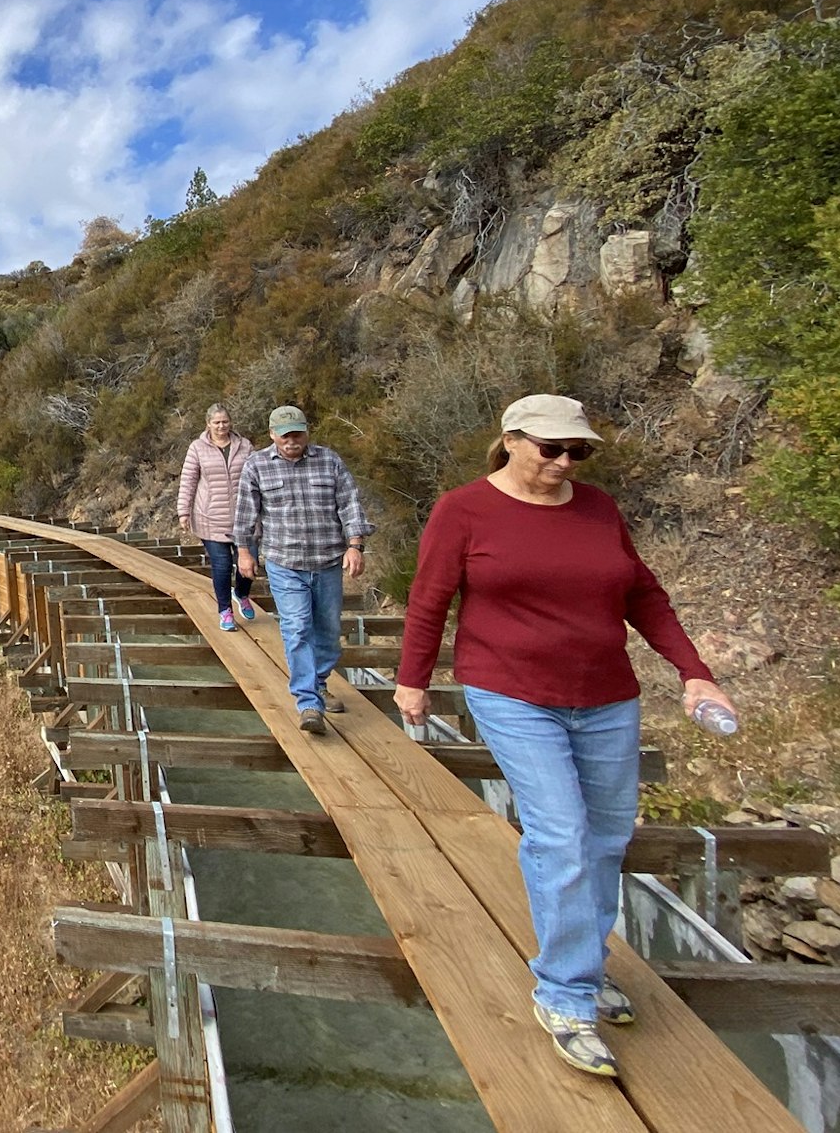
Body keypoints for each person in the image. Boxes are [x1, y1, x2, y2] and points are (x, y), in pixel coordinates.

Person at [394, 395, 736, 1080]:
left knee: (607, 838)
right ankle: (566, 994)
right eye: (551, 449)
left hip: (606, 694)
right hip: (511, 689)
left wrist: (694, 673)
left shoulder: (598, 510)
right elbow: (431, 597)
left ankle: (584, 962)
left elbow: (643, 595)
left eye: (577, 451)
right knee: (560, 833)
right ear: (513, 441)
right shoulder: (465, 510)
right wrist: (413, 679)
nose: (563, 462)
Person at [234, 405, 373, 735]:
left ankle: (319, 681)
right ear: (272, 435)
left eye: (297, 433)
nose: (291, 440)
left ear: (306, 432)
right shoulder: (256, 466)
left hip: (327, 562)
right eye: (285, 435)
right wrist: (244, 553)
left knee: (327, 632)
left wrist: (355, 545)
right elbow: (244, 514)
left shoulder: (329, 461)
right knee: (297, 627)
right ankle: (308, 702)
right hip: (285, 563)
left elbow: (350, 503)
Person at [177, 403, 255, 631]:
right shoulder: (197, 448)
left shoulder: (245, 446)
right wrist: (183, 511)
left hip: (245, 517)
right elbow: (188, 480)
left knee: (249, 564)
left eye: (225, 422)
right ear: (208, 424)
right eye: (217, 422)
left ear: (231, 423)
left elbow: (257, 476)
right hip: (210, 517)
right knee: (221, 566)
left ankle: (241, 593)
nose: (221, 426)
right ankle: (225, 611)